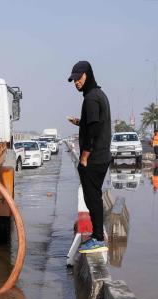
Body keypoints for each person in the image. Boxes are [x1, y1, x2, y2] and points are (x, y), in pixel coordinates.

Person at [67, 60, 112, 253]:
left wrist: (84, 156)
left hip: (94, 158)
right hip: (101, 156)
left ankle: (98, 238)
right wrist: (79, 122)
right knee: (93, 196)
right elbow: (94, 123)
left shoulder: (91, 98)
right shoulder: (97, 95)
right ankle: (97, 235)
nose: (76, 82)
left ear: (87, 75)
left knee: (92, 197)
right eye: (74, 80)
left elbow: (94, 129)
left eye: (78, 78)